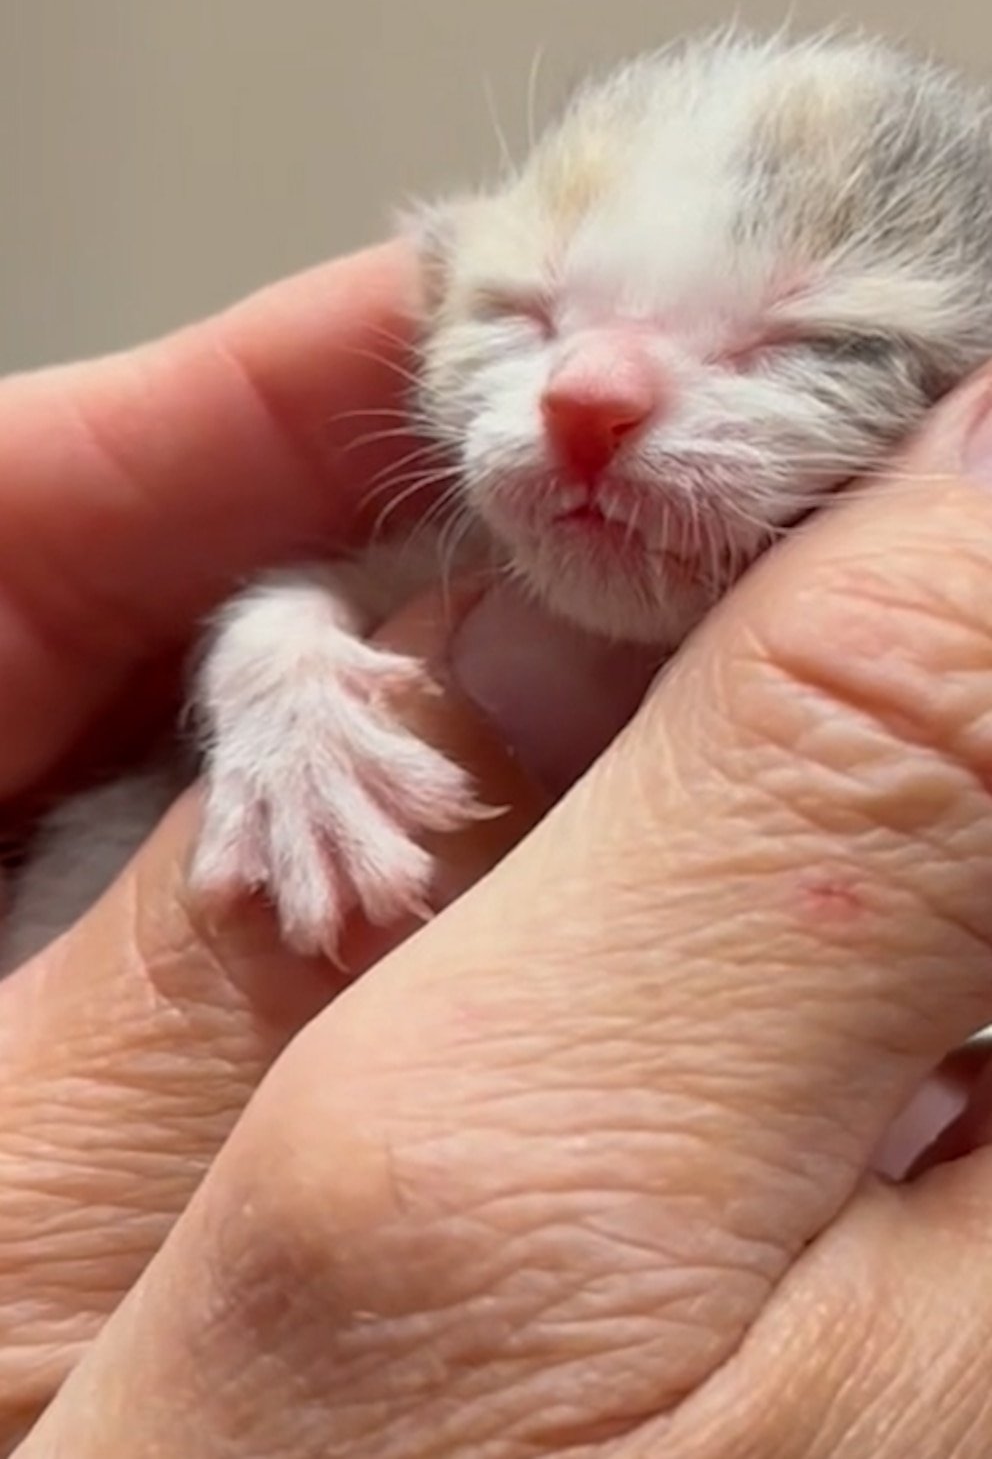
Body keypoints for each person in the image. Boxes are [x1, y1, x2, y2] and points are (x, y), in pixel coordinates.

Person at [2, 240, 992, 1456]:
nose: (585, 388)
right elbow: (296, 608)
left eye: (829, 347)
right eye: (523, 317)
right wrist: (292, 691)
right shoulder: (459, 579)